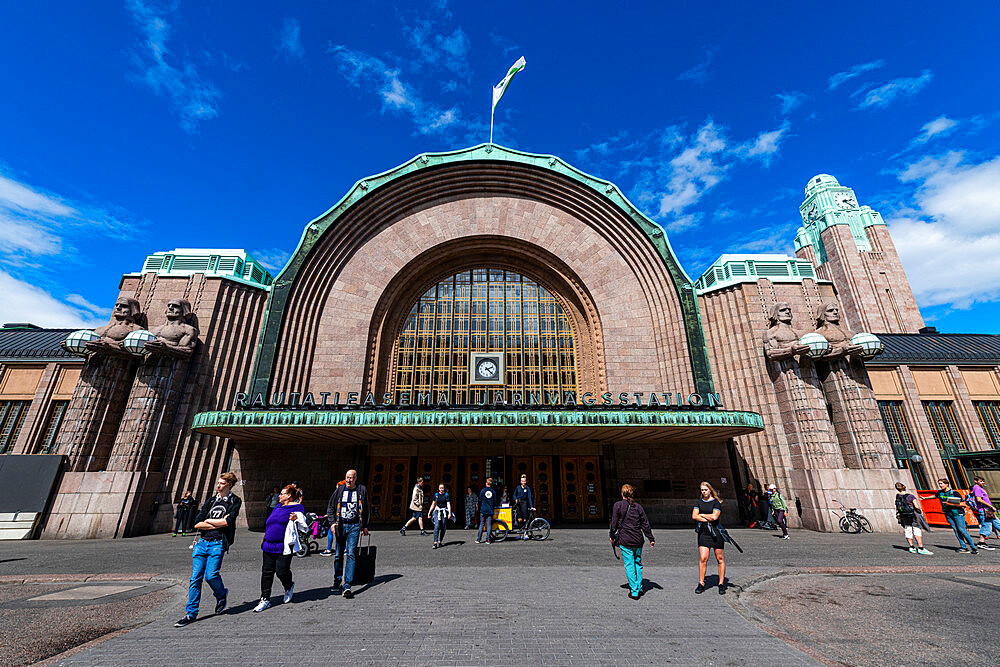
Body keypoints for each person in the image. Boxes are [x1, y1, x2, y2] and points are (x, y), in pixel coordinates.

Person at [175, 471, 242, 627]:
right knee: (195, 578)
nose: (218, 485)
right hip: (202, 542)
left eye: (222, 483)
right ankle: (191, 614)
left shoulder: (234, 501)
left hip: (218, 543)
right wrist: (217, 521)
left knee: (211, 576)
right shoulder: (211, 501)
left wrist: (210, 521)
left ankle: (221, 594)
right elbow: (197, 523)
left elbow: (228, 522)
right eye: (218, 483)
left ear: (229, 485)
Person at [254, 484, 307, 612]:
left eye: (282, 494)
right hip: (268, 544)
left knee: (281, 571)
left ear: (289, 496)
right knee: (267, 573)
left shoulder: (297, 507)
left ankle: (288, 586)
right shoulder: (277, 507)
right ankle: (265, 599)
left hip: (283, 546)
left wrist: (295, 519)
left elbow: (303, 524)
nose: (280, 495)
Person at [329, 469, 370, 599]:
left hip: (354, 526)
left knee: (351, 554)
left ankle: (347, 584)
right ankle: (337, 580)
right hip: (341, 525)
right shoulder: (340, 490)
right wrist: (332, 523)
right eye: (347, 477)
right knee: (338, 555)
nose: (348, 480)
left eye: (351, 478)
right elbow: (330, 507)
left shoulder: (361, 490)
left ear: (355, 478)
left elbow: (366, 508)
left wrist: (364, 526)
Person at [610, 484, 654, 600]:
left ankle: (634, 591)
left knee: (629, 564)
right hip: (638, 539)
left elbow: (614, 522)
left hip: (626, 539)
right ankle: (639, 587)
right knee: (638, 563)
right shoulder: (638, 507)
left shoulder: (618, 505)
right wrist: (651, 538)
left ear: (622, 494)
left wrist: (612, 535)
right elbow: (645, 523)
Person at [692, 481, 727, 595]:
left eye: (705, 490)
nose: (703, 492)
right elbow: (694, 516)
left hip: (716, 533)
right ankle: (701, 583)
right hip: (704, 533)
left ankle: (721, 583)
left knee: (720, 558)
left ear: (710, 490)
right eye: (702, 490)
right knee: (703, 558)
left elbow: (715, 517)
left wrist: (701, 515)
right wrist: (707, 517)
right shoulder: (698, 502)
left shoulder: (716, 503)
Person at [935, 478, 978, 554]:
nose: (940, 485)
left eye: (942, 483)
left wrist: (950, 504)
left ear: (947, 484)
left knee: (962, 530)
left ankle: (973, 548)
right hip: (948, 514)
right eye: (939, 484)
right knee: (956, 530)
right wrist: (924, 498)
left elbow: (963, 504)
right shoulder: (940, 492)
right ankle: (963, 547)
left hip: (958, 514)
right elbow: (935, 496)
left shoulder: (954, 493)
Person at [894, 482, 932, 555]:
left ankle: (911, 547)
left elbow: (897, 506)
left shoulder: (897, 496)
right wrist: (919, 512)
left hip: (904, 516)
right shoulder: (911, 496)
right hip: (913, 515)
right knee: (916, 530)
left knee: (908, 530)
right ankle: (921, 548)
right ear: (904, 487)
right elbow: (917, 507)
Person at [970, 476, 1000, 550]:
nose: (983, 483)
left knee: (998, 524)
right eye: (981, 481)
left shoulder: (980, 488)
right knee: (987, 526)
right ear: (976, 481)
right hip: (985, 510)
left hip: (988, 511)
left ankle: (982, 542)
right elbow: (979, 499)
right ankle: (981, 542)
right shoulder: (976, 488)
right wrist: (991, 506)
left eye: (983, 481)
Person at [428, 483, 452, 548]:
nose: (441, 489)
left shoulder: (446, 495)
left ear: (444, 488)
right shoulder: (436, 495)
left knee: (443, 526)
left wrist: (449, 513)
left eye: (442, 488)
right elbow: (433, 504)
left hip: (444, 512)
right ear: (438, 488)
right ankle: (435, 542)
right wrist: (429, 512)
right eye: (440, 488)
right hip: (437, 511)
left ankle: (440, 540)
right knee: (437, 525)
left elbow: (448, 504)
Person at [476, 478, 498, 544]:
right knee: (489, 525)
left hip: (483, 509)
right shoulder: (493, 492)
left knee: (481, 524)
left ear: (486, 483)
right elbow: (495, 502)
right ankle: (488, 539)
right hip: (490, 510)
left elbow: (480, 499)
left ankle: (478, 539)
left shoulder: (483, 491)